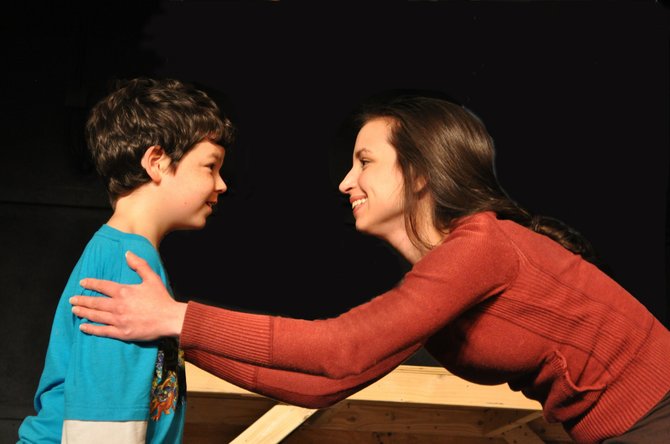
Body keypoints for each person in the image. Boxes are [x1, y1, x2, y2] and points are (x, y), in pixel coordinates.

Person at [70, 91, 670, 443]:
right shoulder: (444, 282)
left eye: (364, 162)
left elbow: (342, 348)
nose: (345, 181)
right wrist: (175, 338)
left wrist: (178, 319)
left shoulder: (482, 245)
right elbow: (325, 383)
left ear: (419, 172)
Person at [18, 77, 235, 443]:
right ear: (156, 162)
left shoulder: (127, 254)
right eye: (210, 166)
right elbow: (102, 427)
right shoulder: (126, 265)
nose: (221, 184)